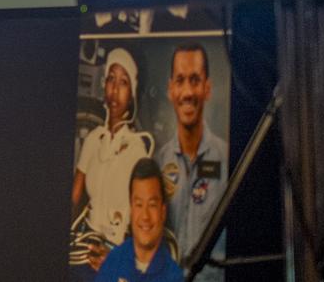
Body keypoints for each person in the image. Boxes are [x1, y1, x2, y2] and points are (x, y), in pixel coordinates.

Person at [72, 48, 154, 275]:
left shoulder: (139, 151)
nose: (115, 89)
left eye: (124, 82)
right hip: (85, 248)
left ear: (133, 94)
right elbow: (74, 197)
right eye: (111, 79)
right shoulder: (93, 140)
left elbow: (145, 222)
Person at [157, 43, 228, 281]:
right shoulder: (159, 163)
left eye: (195, 80)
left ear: (207, 88)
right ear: (170, 90)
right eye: (180, 80)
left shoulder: (229, 162)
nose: (187, 92)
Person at [94, 158, 184, 282]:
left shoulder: (173, 276)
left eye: (152, 205)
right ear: (131, 209)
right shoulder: (113, 261)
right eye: (139, 204)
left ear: (163, 212)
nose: (145, 216)